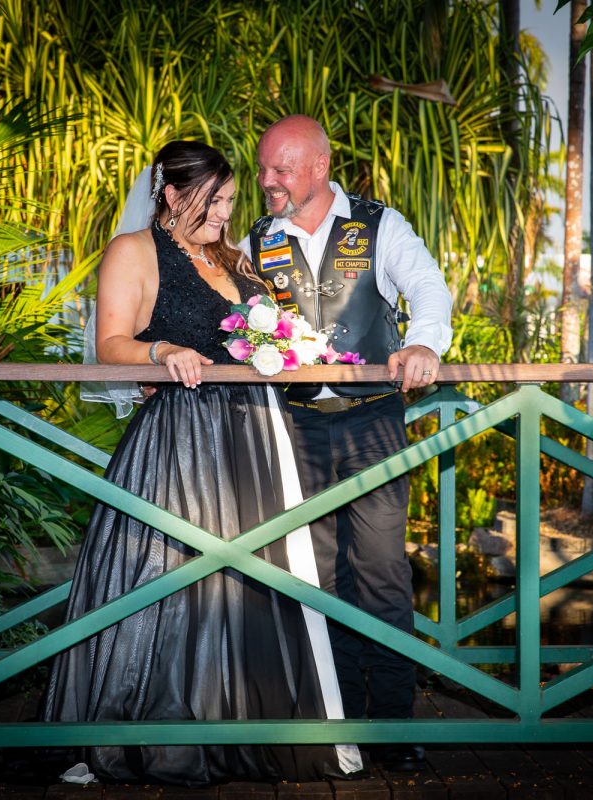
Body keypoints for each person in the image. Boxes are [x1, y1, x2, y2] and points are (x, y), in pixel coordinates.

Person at [43, 141, 362, 786]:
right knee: (162, 580)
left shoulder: (236, 260)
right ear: (170, 194)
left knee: (250, 582)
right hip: (179, 445)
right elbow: (109, 342)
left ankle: (244, 724)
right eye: (212, 201)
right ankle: (138, 731)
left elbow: (270, 334)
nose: (224, 214)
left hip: (253, 444)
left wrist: (294, 346)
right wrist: (161, 351)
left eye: (228, 201)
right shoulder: (133, 251)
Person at [241, 115, 453, 772]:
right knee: (315, 578)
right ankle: (335, 727)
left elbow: (427, 286)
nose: (268, 181)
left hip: (373, 422)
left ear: (321, 167)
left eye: (281, 169)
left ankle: (392, 724)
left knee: (384, 575)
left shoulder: (379, 224)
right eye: (264, 169)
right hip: (295, 426)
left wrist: (424, 341)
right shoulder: (255, 239)